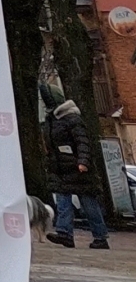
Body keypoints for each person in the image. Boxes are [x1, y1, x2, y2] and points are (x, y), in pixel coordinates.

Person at [47, 99, 111, 248]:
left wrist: (83, 161)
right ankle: (64, 233)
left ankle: (100, 236)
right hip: (63, 168)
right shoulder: (53, 121)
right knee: (63, 200)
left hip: (77, 168)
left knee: (89, 204)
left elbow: (83, 142)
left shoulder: (72, 120)